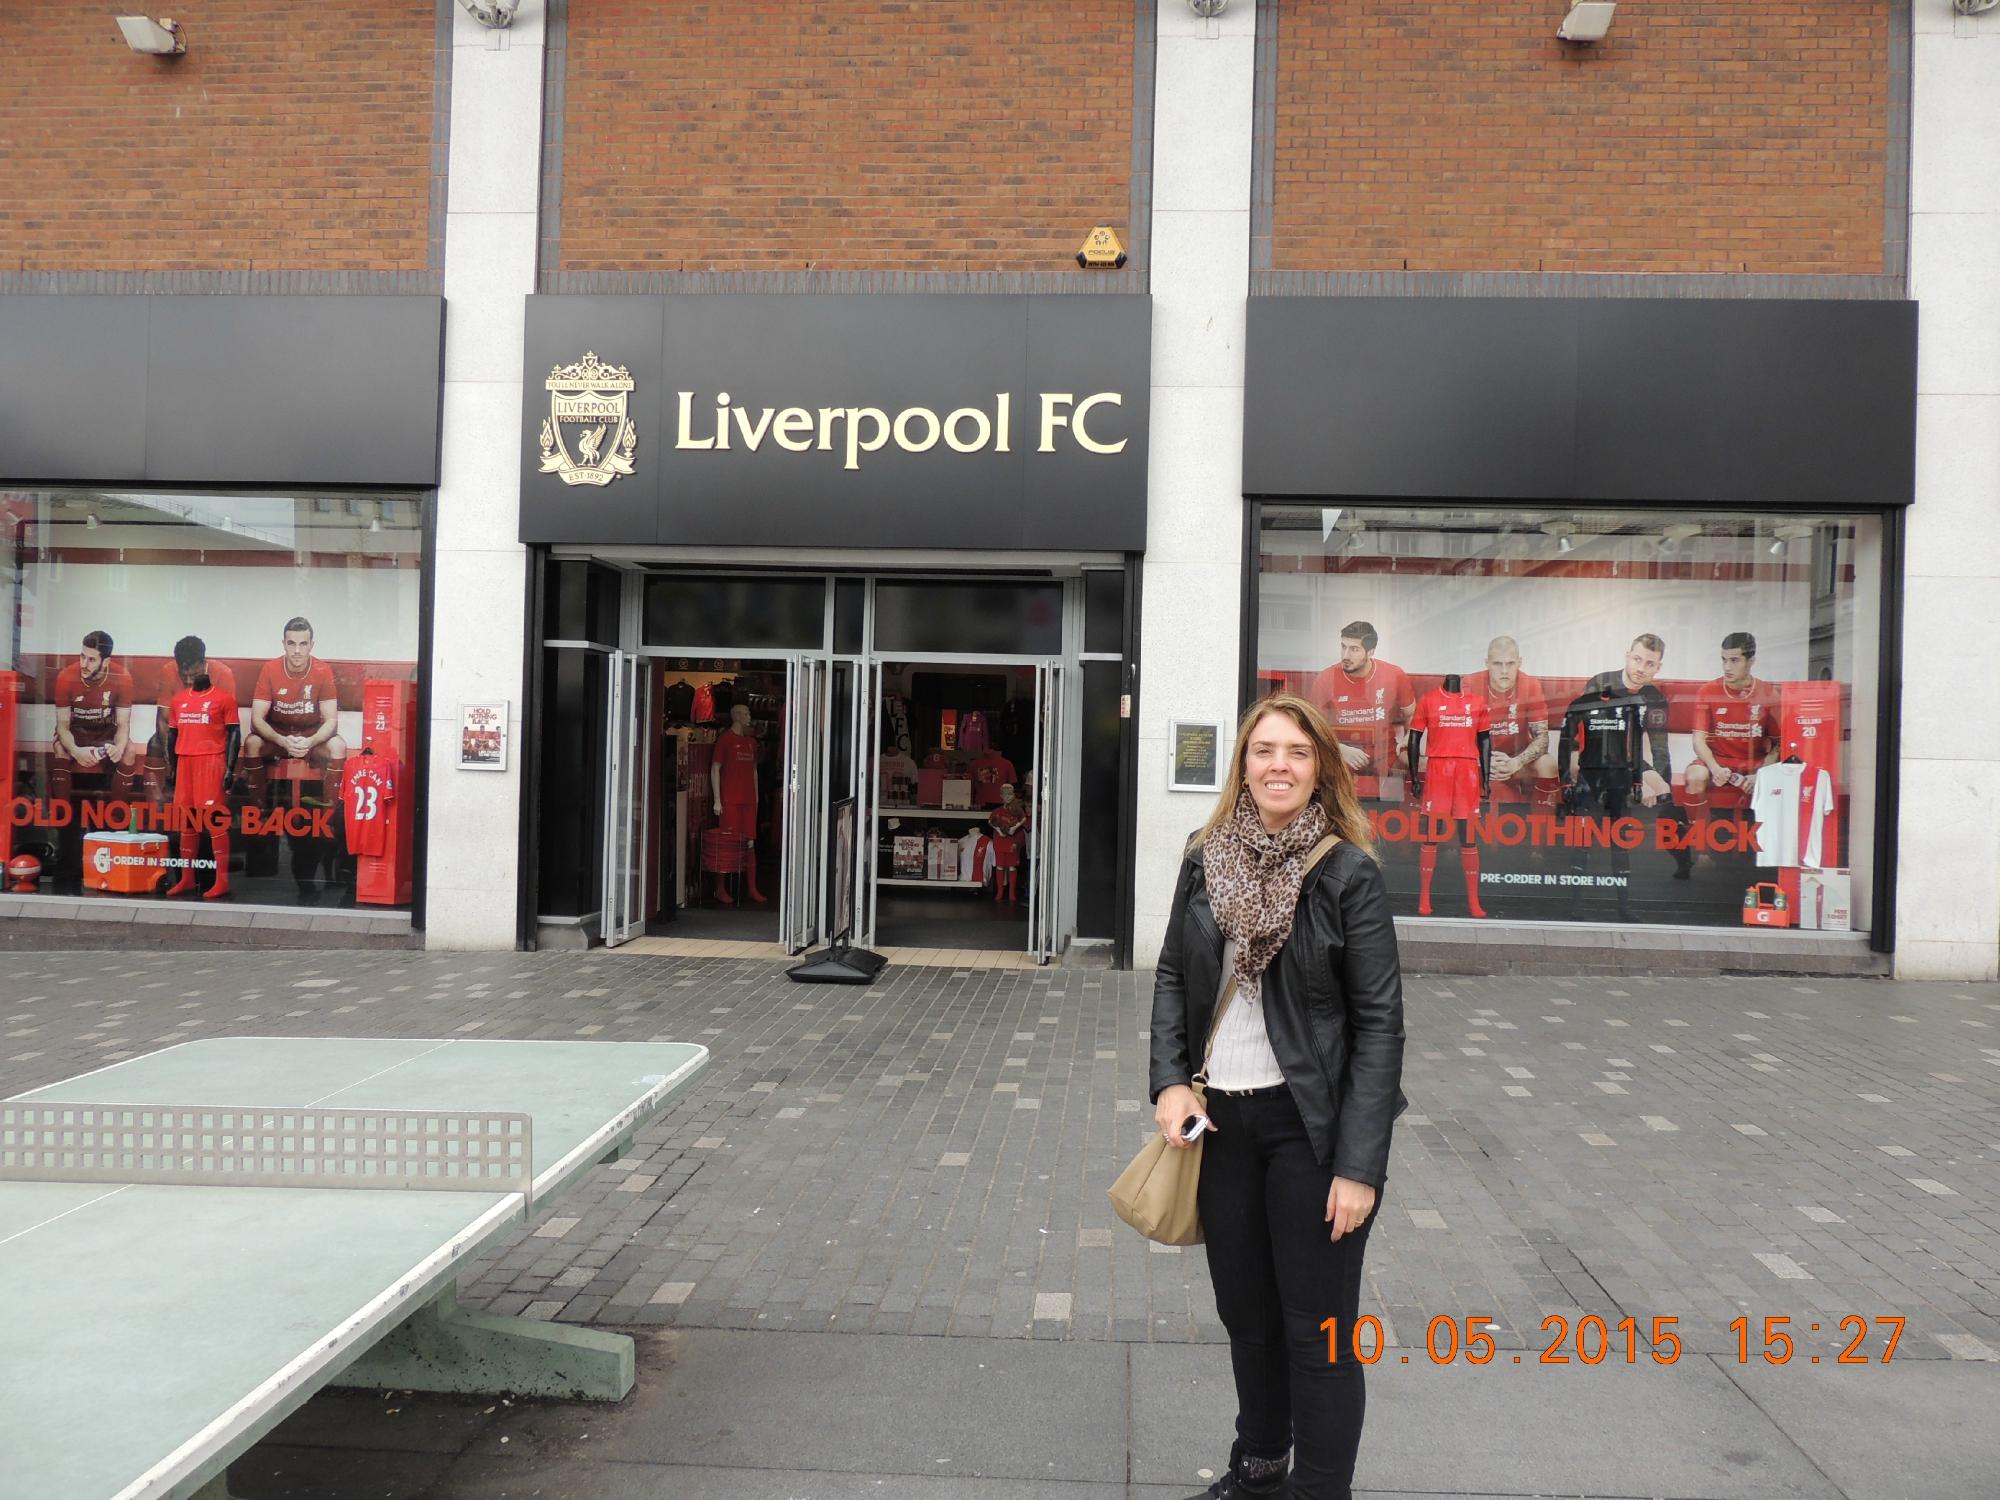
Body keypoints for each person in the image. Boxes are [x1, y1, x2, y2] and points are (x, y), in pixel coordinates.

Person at [1152, 693, 1407, 1500]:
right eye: (1264, 750)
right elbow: (1169, 976)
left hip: (1311, 1132)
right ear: (1243, 766)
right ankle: (1260, 1469)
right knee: (1248, 1318)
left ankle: (1320, 1490)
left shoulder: (1347, 874)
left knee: (1319, 1335)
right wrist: (1166, 1080)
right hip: (1222, 1123)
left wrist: (1359, 1167)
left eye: (1297, 752)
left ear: (1321, 768)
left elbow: (1380, 1029)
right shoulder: (1204, 857)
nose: (1279, 766)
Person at [1565, 633, 1693, 881]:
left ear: (1658, 667)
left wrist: (1658, 785)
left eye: (1649, 664)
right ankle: (1581, 861)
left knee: (1667, 792)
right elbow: (1596, 738)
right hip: (1589, 756)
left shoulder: (1654, 697)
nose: (1641, 668)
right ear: (1627, 656)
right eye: (1637, 659)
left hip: (1627, 759)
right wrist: (1638, 780)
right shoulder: (1601, 683)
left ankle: (1683, 860)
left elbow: (1659, 747)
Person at [244, 617, 347, 806]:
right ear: (284, 644)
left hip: (310, 736)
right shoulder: (270, 669)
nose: (297, 651)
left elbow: (331, 721)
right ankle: (258, 812)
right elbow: (257, 720)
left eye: (303, 644)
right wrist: (282, 741)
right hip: (278, 735)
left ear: (311, 645)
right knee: (252, 742)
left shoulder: (322, 670)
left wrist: (310, 741)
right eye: (291, 643)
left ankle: (331, 817)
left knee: (338, 745)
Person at [1685, 631, 1780, 828]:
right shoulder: (1708, 691)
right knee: (1695, 776)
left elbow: (1778, 745)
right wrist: (1715, 768)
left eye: (1735, 660)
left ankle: (1758, 840)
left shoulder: (1768, 693)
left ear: (1751, 661)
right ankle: (1697, 840)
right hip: (1718, 761)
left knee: (1778, 780)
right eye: (1724, 660)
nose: (1727, 667)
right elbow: (1698, 740)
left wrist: (1761, 773)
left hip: (1753, 763)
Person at [162, 667, 240, 901]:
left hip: (211, 762)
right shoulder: (179, 700)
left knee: (215, 822)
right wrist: (172, 767)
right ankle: (187, 878)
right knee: (187, 822)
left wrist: (229, 768)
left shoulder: (224, 699)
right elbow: (172, 736)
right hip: (185, 762)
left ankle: (222, 880)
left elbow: (235, 733)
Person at [1310, 621, 1415, 795]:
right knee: (1339, 806)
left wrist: (1408, 739)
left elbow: (1411, 714)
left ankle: (1395, 810)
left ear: (1371, 652)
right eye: (1343, 647)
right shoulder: (1326, 679)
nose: (1346, 655)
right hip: (1342, 756)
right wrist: (1339, 749)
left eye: (1354, 649)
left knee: (1393, 805)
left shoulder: (1394, 675)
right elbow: (1312, 726)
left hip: (1385, 756)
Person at [1466, 635, 1556, 808]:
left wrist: (1516, 762)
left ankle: (1543, 824)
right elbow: (1458, 735)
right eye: (1497, 664)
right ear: (1487, 663)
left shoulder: (1530, 685)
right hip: (1477, 759)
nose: (1504, 671)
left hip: (1516, 759)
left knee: (1548, 763)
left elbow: (1542, 739)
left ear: (1519, 662)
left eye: (1510, 663)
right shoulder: (1470, 684)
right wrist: (1481, 761)